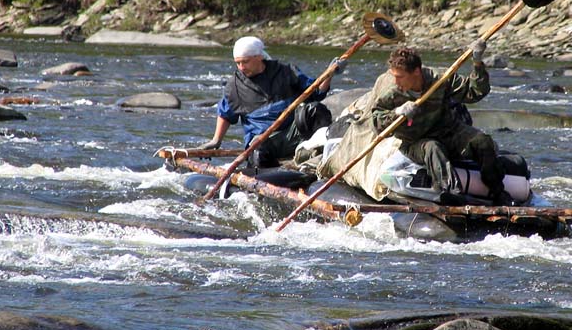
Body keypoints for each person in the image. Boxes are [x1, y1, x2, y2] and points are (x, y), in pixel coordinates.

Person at [370, 43, 514, 206]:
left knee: (482, 141)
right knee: (433, 148)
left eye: (400, 76)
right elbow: (376, 123)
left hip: (448, 132)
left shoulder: (439, 80)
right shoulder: (393, 93)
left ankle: (497, 191)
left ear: (416, 72)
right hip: (416, 142)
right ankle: (451, 193)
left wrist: (478, 63)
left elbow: (474, 92)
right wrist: (396, 113)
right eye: (394, 76)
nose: (396, 81)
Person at [195, 36, 345, 167]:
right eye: (238, 63)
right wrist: (216, 140)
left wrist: (330, 73)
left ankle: (319, 154)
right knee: (258, 150)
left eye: (245, 62)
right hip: (264, 141)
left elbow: (317, 92)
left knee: (314, 109)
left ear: (259, 57)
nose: (241, 67)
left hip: (294, 133)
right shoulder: (234, 86)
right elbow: (225, 115)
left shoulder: (286, 71)